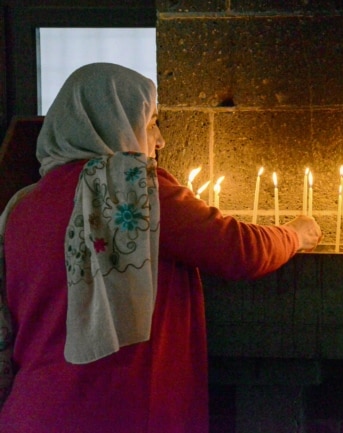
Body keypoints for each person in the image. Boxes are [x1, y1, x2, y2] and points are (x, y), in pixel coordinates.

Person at [0, 62, 322, 432]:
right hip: (116, 413)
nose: (160, 139)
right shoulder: (134, 192)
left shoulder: (21, 205)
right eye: (151, 121)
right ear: (115, 120)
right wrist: (296, 234)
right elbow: (239, 251)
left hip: (31, 412)